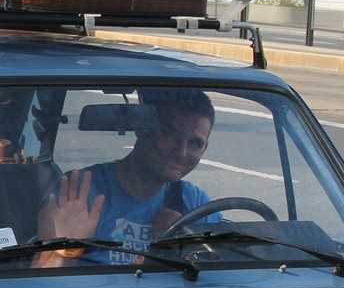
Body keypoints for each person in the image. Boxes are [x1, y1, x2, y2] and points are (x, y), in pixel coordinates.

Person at [34, 90, 216, 268]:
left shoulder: (197, 205)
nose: (181, 151)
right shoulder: (78, 193)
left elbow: (226, 279)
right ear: (142, 130)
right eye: (170, 134)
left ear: (205, 149)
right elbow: (37, 284)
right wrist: (67, 249)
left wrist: (186, 242)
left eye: (195, 143)